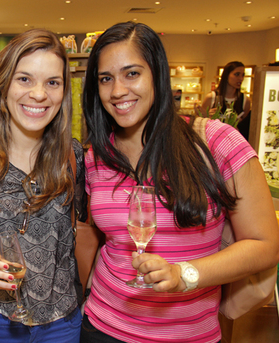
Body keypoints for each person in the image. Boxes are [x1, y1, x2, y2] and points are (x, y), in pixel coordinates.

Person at [81, 21, 279, 343]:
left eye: (132, 73)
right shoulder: (94, 157)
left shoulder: (215, 142)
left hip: (189, 334)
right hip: (102, 326)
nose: (117, 91)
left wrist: (183, 274)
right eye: (106, 79)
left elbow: (265, 246)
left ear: (157, 74)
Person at [0, 28, 87, 343]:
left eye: (52, 83)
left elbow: (81, 229)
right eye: (24, 79)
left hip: (62, 321)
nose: (39, 94)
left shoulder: (72, 153)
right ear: (2, 86)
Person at [200, 61, 252, 139]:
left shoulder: (245, 100)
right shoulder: (211, 98)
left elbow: (245, 129)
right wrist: (207, 117)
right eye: (237, 74)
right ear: (226, 75)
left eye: (243, 75)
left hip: (235, 143)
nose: (241, 79)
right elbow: (201, 125)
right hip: (213, 142)